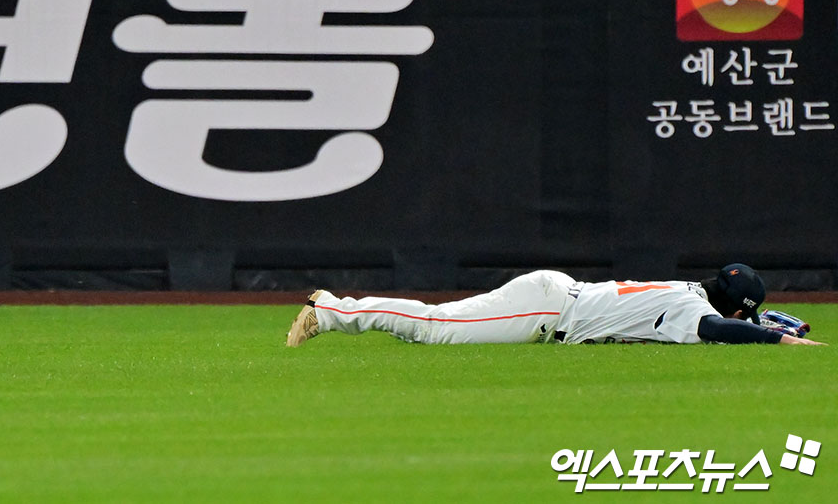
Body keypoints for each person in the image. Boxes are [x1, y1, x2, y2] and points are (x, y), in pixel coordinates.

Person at [286, 263, 825, 347]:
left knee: (443, 319)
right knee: (438, 326)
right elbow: (719, 331)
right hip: (549, 311)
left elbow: (719, 321)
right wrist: (778, 338)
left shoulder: (688, 290)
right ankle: (333, 310)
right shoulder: (693, 311)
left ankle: (338, 311)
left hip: (554, 294)